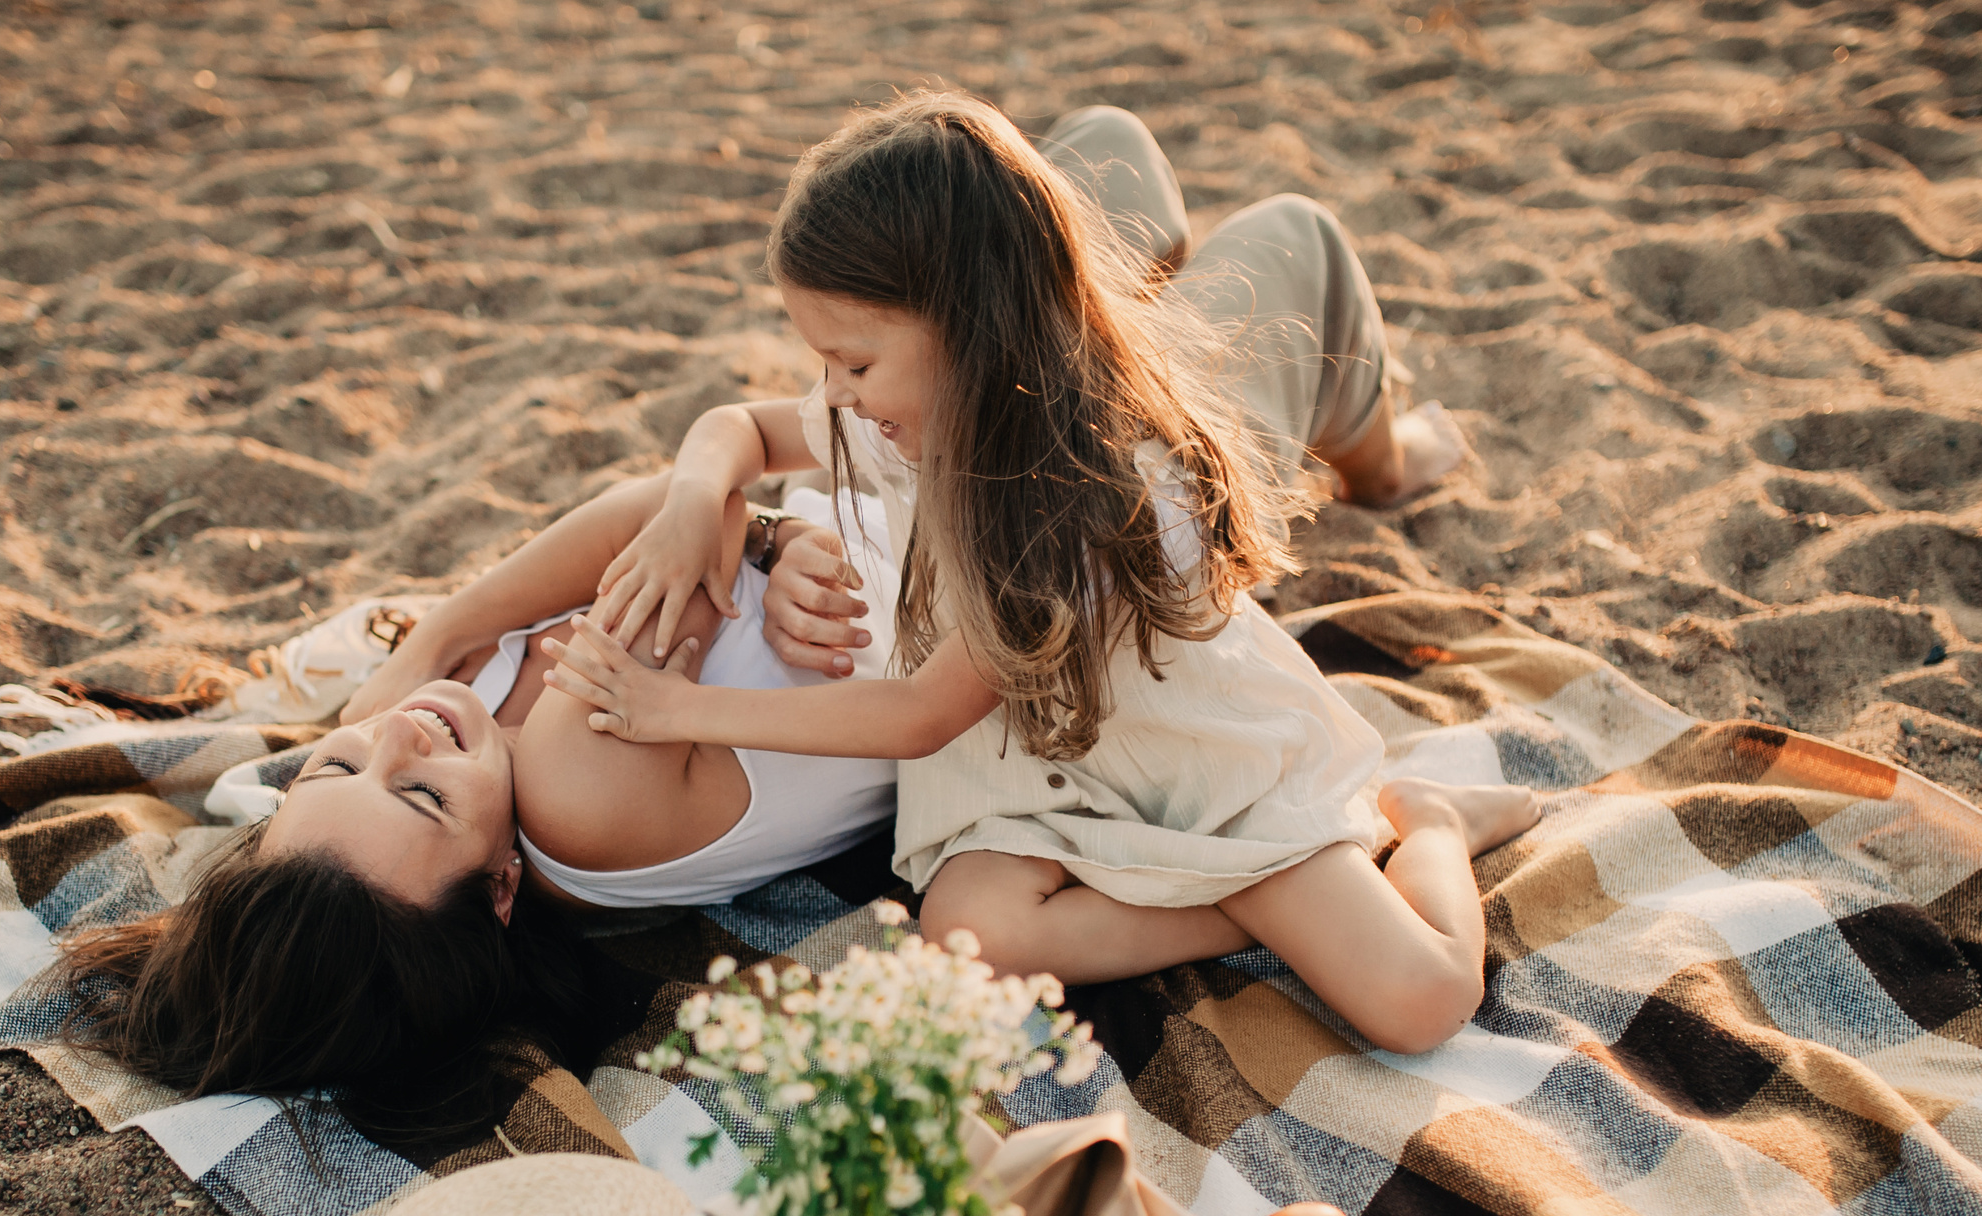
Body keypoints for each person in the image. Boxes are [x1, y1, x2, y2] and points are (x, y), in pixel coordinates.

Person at [543, 94, 1539, 1056]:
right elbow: (739, 429)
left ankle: (1427, 822)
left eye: (853, 363)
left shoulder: (1083, 493)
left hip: (1189, 768)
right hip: (1033, 770)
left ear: (965, 329)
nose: (834, 393)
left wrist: (679, 711)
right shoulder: (912, 413)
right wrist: (694, 497)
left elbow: (918, 716)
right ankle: (1255, 901)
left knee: (1420, 997)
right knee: (969, 932)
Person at [52, 469, 912, 1140]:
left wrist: (430, 642)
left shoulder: (459, 734)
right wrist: (775, 536)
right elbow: (699, 513)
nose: (397, 734)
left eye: (334, 768)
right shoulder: (574, 790)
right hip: (935, 585)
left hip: (872, 507)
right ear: (501, 887)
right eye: (422, 796)